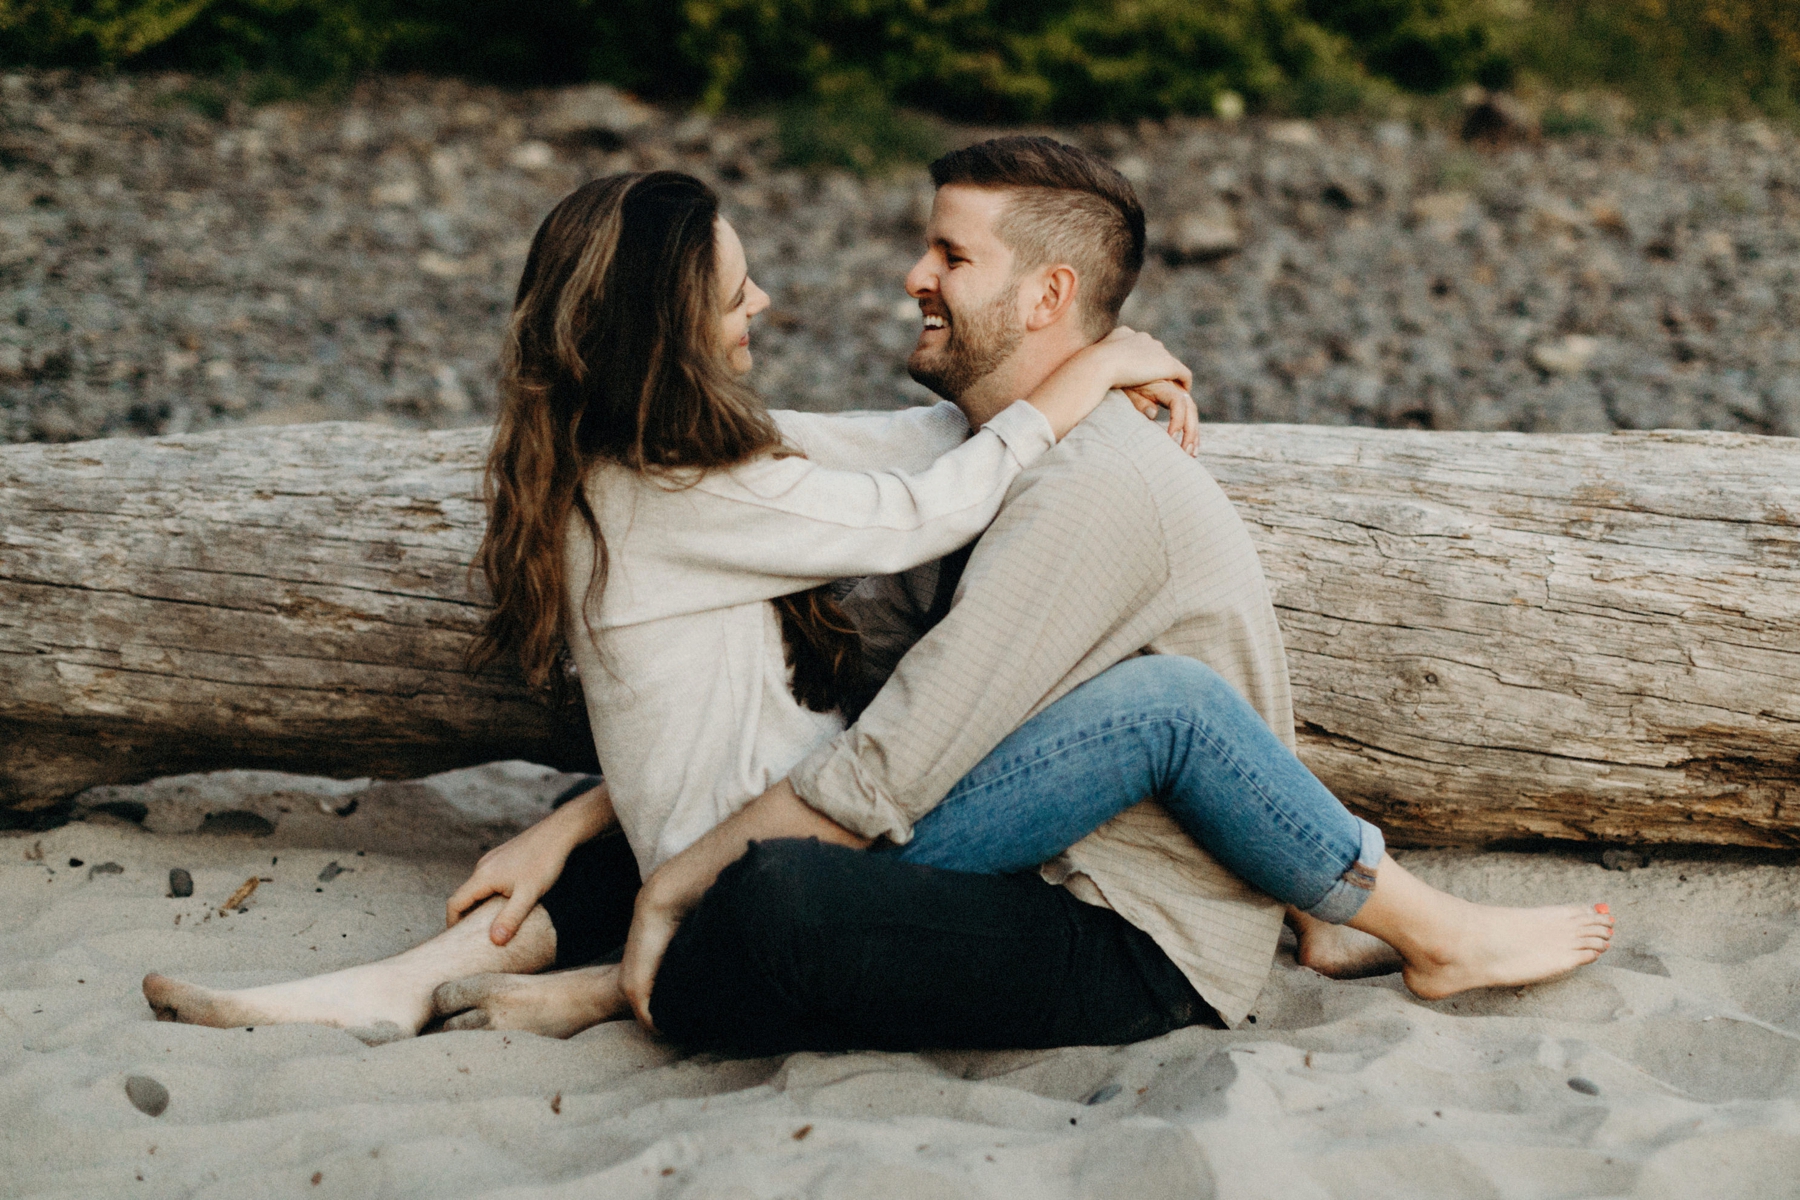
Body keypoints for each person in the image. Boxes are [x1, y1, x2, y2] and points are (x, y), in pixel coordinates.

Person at [143, 144, 1613, 1051]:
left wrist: (572, 818)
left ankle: (457, 975)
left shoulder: (630, 457)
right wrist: (1092, 376)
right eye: (736, 298)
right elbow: (915, 538)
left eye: (946, 254)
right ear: (673, 335)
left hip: (753, 812)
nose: (772, 309)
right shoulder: (690, 485)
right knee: (1166, 707)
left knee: (1096, 704)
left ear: (1035, 295)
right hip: (802, 837)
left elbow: (904, 450)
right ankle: (1408, 917)